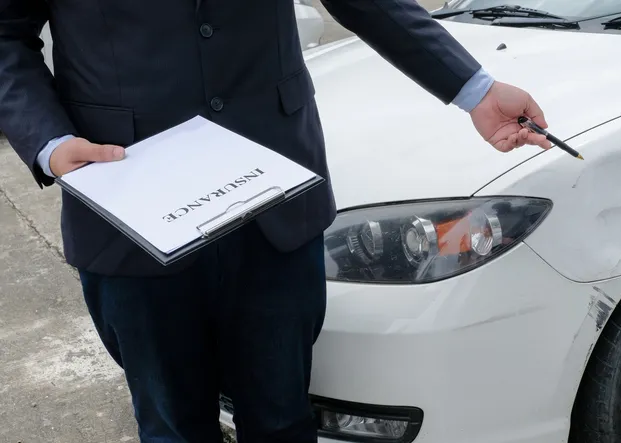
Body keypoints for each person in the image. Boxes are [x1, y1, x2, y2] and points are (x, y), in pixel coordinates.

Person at [0, 0, 551, 442]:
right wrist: (49, 143)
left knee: (284, 420)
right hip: (129, 211)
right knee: (170, 427)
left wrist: (474, 90)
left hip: (275, 205)